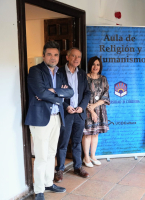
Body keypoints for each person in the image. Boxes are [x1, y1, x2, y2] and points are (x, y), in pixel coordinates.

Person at [25, 41, 74, 200]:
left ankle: (48, 183)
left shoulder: (60, 73)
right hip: (40, 118)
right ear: (44, 55)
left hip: (56, 117)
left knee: (52, 152)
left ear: (59, 56)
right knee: (41, 155)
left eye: (56, 54)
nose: (53, 58)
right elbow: (40, 92)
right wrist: (59, 94)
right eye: (49, 54)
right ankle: (39, 190)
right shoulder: (35, 71)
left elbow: (70, 92)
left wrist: (53, 92)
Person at [55, 47, 91, 182]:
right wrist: (65, 106)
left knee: (77, 142)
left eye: (79, 57)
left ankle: (77, 167)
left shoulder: (82, 73)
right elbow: (55, 92)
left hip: (79, 113)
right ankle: (59, 169)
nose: (77, 59)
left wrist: (82, 107)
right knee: (63, 142)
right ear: (67, 57)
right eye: (74, 56)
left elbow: (87, 92)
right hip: (66, 113)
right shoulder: (58, 73)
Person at [82, 56, 110, 167]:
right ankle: (86, 157)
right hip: (87, 109)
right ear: (90, 65)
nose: (95, 67)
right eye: (93, 64)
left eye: (98, 65)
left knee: (95, 134)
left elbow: (106, 96)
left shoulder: (103, 79)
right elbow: (81, 96)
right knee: (88, 134)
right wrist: (91, 109)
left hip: (100, 110)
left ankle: (93, 156)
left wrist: (95, 106)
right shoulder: (84, 78)